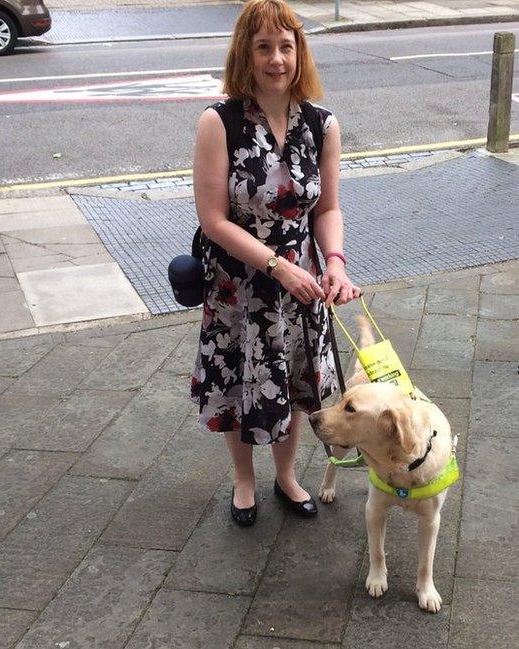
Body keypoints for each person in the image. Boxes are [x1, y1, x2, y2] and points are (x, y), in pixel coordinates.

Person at [191, 0, 360, 526]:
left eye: (286, 46)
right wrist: (277, 265)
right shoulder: (219, 123)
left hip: (303, 282)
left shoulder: (321, 124)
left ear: (299, 52)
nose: (276, 58)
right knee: (243, 381)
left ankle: (287, 477)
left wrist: (333, 261)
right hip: (241, 282)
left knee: (290, 381)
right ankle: (245, 481)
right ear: (246, 53)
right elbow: (214, 220)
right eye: (263, 46)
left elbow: (327, 208)